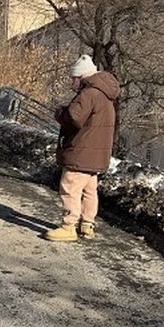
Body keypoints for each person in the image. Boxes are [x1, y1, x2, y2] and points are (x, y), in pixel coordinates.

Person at [45, 54, 121, 242]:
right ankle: (87, 224)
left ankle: (68, 226)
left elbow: (74, 118)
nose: (72, 82)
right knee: (89, 190)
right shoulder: (106, 95)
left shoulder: (89, 94)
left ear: (81, 77)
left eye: (73, 78)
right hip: (97, 154)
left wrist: (60, 112)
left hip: (81, 151)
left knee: (70, 186)